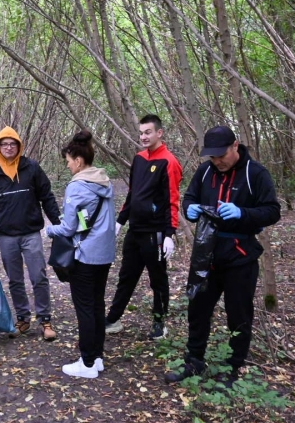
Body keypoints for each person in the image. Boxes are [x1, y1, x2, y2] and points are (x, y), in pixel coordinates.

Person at [164, 125, 281, 387]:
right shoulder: (205, 171)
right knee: (197, 309)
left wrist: (243, 213)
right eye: (213, 156)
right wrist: (190, 208)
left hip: (240, 256)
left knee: (238, 315)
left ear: (235, 146)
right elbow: (189, 197)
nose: (217, 161)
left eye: (222, 155)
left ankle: (233, 367)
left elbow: (272, 211)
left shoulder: (255, 173)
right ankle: (194, 362)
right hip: (206, 255)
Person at [0, 126, 61, 341]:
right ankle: (23, 318)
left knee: (38, 276)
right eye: (4, 144)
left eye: (13, 144)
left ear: (19, 146)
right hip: (6, 235)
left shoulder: (31, 168)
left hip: (31, 232)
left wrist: (59, 224)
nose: (9, 147)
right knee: (14, 279)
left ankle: (45, 319)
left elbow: (47, 197)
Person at [105, 114, 183, 340]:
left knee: (157, 279)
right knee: (126, 276)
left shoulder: (169, 162)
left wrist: (169, 234)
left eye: (148, 132)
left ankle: (159, 322)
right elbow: (133, 194)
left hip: (155, 232)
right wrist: (120, 221)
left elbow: (172, 199)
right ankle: (113, 319)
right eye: (141, 133)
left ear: (159, 133)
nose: (144, 137)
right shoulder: (139, 159)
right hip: (135, 230)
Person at [46, 131, 116, 378]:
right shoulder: (104, 182)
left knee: (85, 308)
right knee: (97, 305)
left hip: (85, 255)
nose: (68, 165)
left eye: (68, 161)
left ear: (77, 160)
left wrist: (49, 229)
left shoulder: (77, 186)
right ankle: (97, 358)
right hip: (104, 254)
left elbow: (68, 228)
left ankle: (86, 363)